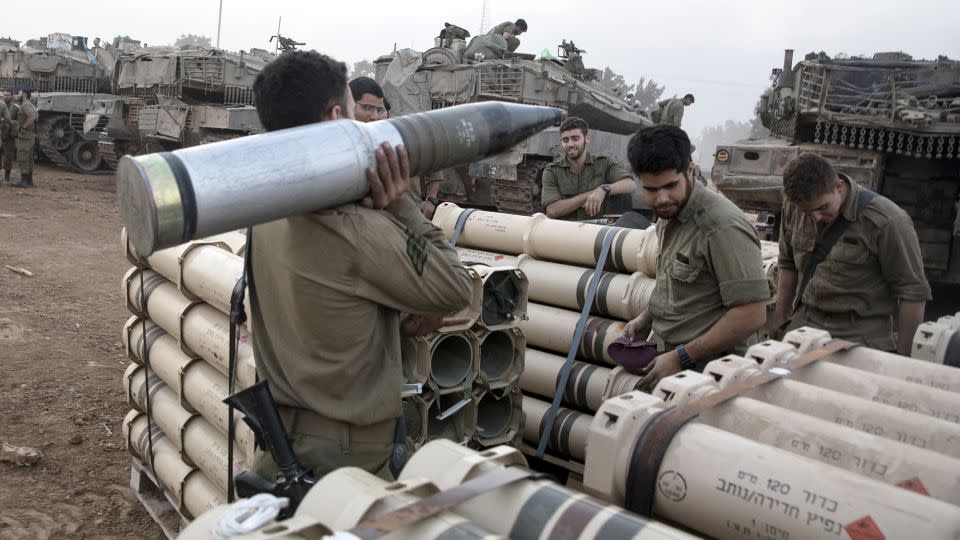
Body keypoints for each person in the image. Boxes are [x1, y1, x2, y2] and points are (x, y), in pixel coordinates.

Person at [248, 51, 473, 480]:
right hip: (345, 460)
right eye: (355, 114)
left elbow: (331, 299)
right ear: (336, 117)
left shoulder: (265, 208)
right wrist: (401, 204)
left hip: (282, 445)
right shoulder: (349, 226)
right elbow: (455, 287)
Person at [621, 125, 769, 389]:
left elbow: (752, 314)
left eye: (670, 185)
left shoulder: (721, 227)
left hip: (714, 375)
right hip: (673, 363)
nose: (662, 198)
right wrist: (647, 317)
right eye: (651, 190)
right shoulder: (670, 214)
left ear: (690, 171)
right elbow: (678, 281)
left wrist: (682, 357)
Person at [771, 154, 930, 353]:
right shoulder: (795, 207)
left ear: (838, 186)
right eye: (807, 212)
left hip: (860, 335)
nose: (816, 217)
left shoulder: (887, 221)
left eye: (823, 208)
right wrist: (780, 320)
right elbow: (787, 263)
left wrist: (904, 359)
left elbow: (912, 292)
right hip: (804, 326)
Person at [540, 116, 636, 220]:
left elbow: (630, 184)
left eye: (575, 138)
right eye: (565, 140)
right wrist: (591, 195)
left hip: (596, 232)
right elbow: (552, 210)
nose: (570, 144)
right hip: (565, 232)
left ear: (587, 138)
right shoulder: (552, 170)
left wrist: (604, 189)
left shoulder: (604, 162)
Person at [12, 88, 36, 188]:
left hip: (24, 136)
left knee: (22, 157)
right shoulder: (30, 104)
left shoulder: (25, 105)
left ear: (24, 94)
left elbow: (32, 117)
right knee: (29, 158)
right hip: (30, 136)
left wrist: (23, 127)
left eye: (19, 93)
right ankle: (29, 180)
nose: (18, 94)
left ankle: (23, 181)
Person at [0, 90, 13, 184]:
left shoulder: (15, 107)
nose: (5, 96)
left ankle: (7, 176)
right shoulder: (2, 105)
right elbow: (8, 120)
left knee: (8, 155)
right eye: (4, 94)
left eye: (8, 95)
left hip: (8, 136)